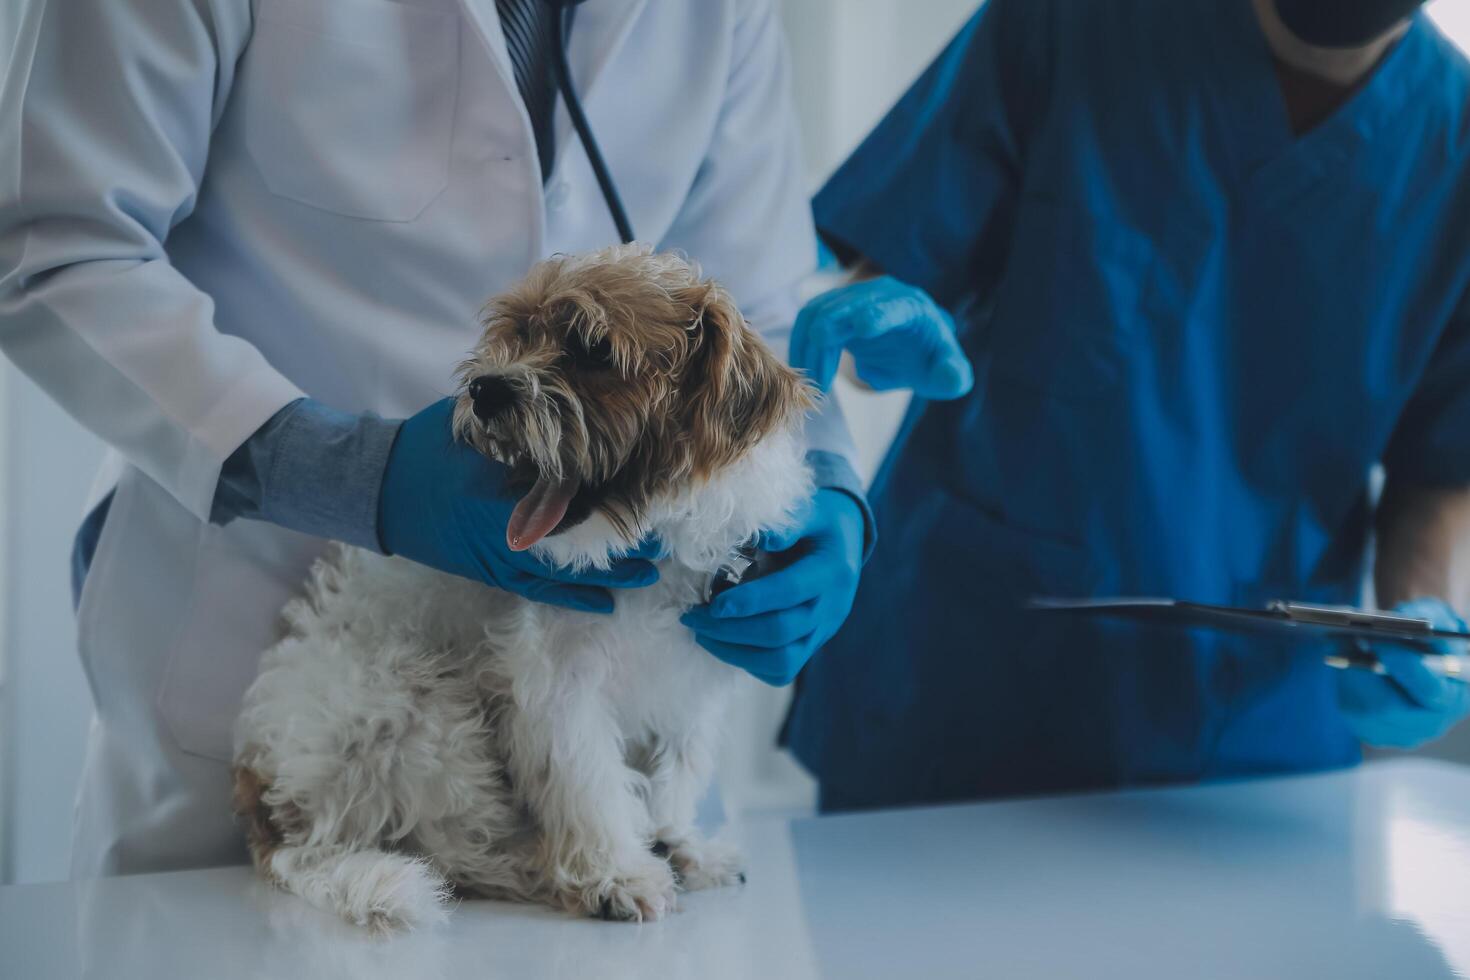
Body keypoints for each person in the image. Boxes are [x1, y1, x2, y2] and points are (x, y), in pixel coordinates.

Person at [0, 0, 869, 876]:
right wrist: (346, 473)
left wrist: (824, 481)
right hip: (260, 622)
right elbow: (53, 245)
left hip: (630, 721)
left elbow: (759, 313)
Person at [784, 0, 1470, 812]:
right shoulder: (1073, 23)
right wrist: (875, 333)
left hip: (1248, 755)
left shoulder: (1452, 144)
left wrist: (1422, 638)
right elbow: (888, 283)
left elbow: (1441, 465)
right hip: (959, 686)